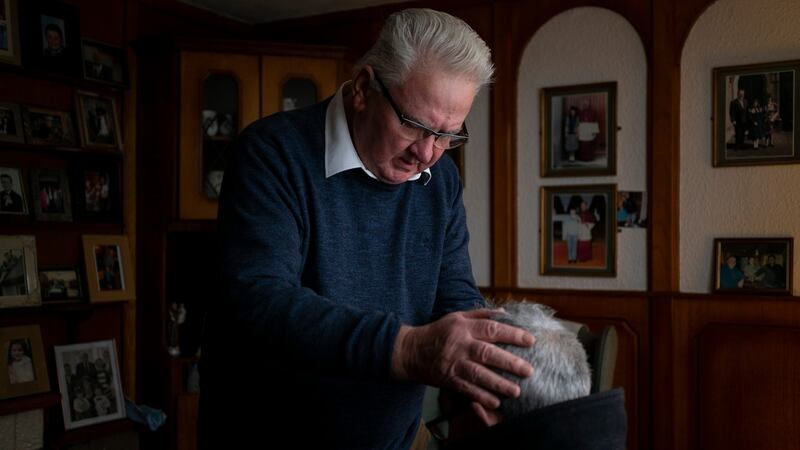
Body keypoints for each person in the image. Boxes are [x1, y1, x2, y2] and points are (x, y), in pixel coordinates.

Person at [201, 9, 535, 449]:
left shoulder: (442, 181)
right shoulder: (271, 154)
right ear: (363, 88)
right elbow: (261, 303)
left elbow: (453, 298)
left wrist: (487, 364)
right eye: (414, 126)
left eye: (448, 135)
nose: (428, 153)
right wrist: (409, 349)